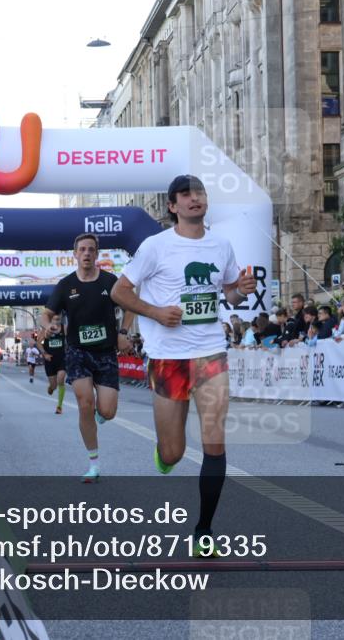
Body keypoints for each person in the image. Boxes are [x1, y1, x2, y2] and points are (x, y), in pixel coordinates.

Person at [110, 173, 257, 558]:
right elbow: (119, 292)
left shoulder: (221, 244)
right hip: (168, 359)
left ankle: (204, 530)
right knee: (174, 453)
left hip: (210, 352)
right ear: (172, 206)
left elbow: (227, 293)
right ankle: (166, 453)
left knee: (214, 439)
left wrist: (239, 292)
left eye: (200, 193)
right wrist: (155, 312)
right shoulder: (155, 247)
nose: (195, 199)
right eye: (186, 195)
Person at [45, 233, 134, 483]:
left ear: (97, 254)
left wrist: (123, 333)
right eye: (82, 249)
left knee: (107, 411)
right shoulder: (65, 285)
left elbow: (130, 306)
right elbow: (47, 313)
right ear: (75, 254)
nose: (86, 253)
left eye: (91, 250)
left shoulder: (110, 281)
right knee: (85, 404)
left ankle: (97, 416)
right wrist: (49, 326)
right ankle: (93, 464)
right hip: (77, 352)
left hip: (106, 353)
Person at [40, 313, 67, 414]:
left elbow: (72, 340)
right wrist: (45, 354)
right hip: (50, 360)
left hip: (62, 359)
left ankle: (59, 406)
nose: (57, 321)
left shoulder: (65, 328)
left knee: (61, 380)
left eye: (58, 319)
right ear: (51, 320)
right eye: (55, 319)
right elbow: (39, 343)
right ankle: (51, 387)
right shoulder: (45, 330)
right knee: (54, 386)